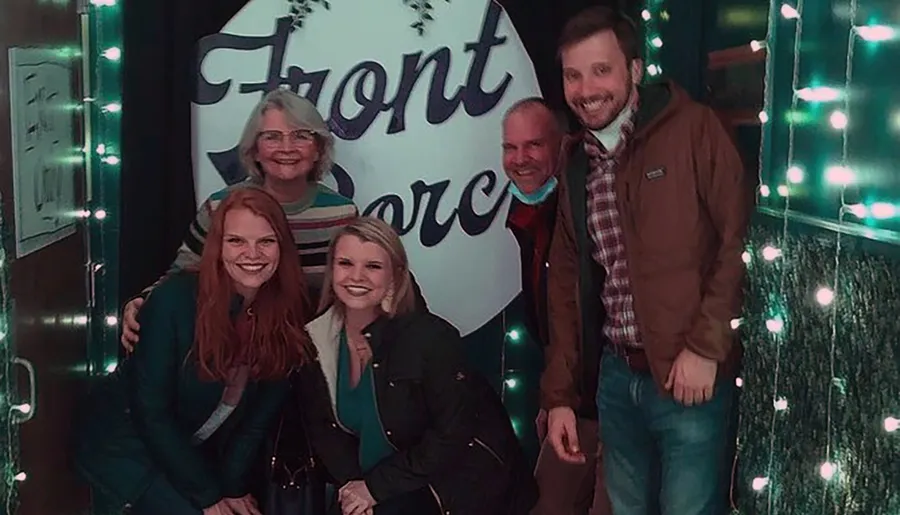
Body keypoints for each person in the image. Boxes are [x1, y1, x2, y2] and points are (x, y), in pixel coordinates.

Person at [542, 7, 750, 515]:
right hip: (618, 379)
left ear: (634, 70)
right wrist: (559, 396)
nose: (586, 88)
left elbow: (737, 242)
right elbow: (566, 286)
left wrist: (706, 347)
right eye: (573, 75)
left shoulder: (695, 130)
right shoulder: (576, 162)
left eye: (601, 70)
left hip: (691, 378)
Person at [74, 188, 314, 515]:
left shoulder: (287, 310)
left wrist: (231, 487)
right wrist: (208, 495)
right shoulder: (173, 301)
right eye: (236, 241)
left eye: (266, 242)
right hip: (127, 447)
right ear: (217, 247)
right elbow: (151, 411)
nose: (252, 253)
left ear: (282, 247)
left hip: (191, 451)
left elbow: (255, 424)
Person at [293, 217, 537, 515]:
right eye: (345, 263)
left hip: (451, 488)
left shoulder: (432, 338)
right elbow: (324, 430)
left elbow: (451, 435)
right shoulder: (317, 341)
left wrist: (375, 488)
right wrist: (354, 490)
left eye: (373, 266)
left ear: (395, 275)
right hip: (375, 488)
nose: (356, 276)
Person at [121, 87, 357, 351]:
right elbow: (183, 273)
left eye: (301, 136)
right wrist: (145, 302)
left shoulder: (340, 215)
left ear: (318, 150)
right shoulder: (220, 207)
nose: (287, 148)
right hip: (233, 346)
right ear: (254, 150)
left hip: (311, 348)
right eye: (272, 137)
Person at [502, 97, 611, 515]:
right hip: (573, 402)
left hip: (619, 402)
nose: (520, 159)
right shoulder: (530, 216)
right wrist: (555, 398)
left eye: (533, 146)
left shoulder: (592, 211)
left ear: (563, 146)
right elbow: (552, 324)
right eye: (510, 148)